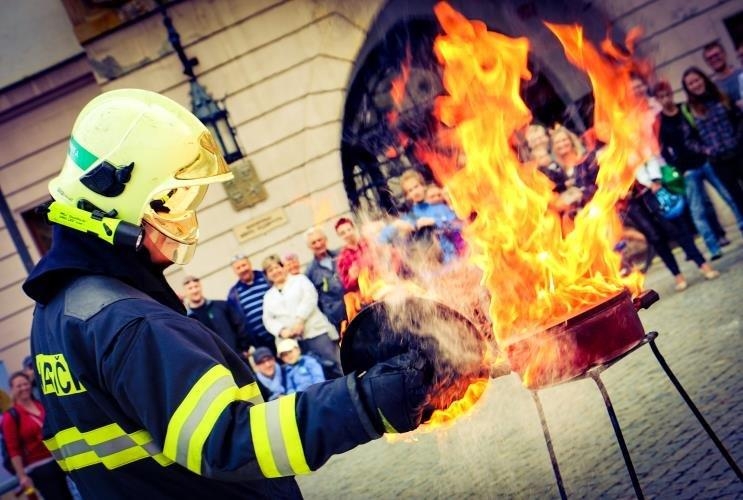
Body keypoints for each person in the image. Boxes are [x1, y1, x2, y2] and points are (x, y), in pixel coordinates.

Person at [22, 89, 434, 498]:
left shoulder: (56, 312)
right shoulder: (129, 321)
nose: (182, 219)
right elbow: (228, 440)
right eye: (168, 203)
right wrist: (371, 399)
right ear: (116, 204)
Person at [653, 80, 742, 259]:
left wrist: (707, 152)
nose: (666, 99)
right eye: (661, 97)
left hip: (704, 161)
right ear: (657, 99)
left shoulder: (685, 109)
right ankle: (713, 248)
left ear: (672, 94)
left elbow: (698, 131)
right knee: (698, 210)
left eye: (667, 94)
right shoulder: (660, 122)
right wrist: (677, 172)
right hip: (687, 171)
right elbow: (663, 151)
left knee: (730, 197)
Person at [261, 255, 342, 378]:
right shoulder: (268, 296)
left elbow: (310, 298)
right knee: (311, 375)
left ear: (283, 268)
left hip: (316, 332)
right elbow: (268, 319)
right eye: (270, 270)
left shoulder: (300, 280)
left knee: (335, 364)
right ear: (267, 275)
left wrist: (300, 321)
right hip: (294, 343)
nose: (275, 272)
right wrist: (282, 331)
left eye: (276, 267)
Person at [681, 66, 743, 227]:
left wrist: (737, 138)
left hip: (738, 153)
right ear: (687, 88)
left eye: (697, 80)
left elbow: (738, 118)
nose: (695, 85)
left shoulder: (722, 97)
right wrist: (707, 150)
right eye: (690, 84)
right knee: (737, 197)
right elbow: (688, 140)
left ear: (704, 79)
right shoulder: (689, 109)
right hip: (719, 161)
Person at [2, 372, 72, 500]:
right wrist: (22, 476)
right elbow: (13, 450)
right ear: (12, 389)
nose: (24, 388)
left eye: (26, 383)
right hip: (40, 469)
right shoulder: (11, 416)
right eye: (19, 386)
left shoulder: (40, 404)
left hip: (60, 460)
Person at [399, 169, 464, 263]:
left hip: (452, 259)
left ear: (423, 186)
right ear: (407, 196)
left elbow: (458, 226)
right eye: (410, 190)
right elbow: (405, 245)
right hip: (429, 266)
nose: (415, 192)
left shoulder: (440, 207)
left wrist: (434, 221)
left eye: (416, 187)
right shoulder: (408, 218)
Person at [183, 275, 253, 359]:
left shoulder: (221, 306)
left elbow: (239, 325)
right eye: (190, 288)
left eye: (196, 286)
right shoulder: (186, 318)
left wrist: (244, 349)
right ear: (185, 292)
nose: (194, 291)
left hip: (236, 357)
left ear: (201, 287)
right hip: (212, 365)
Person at [226, 254, 277, 355]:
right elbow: (237, 323)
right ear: (235, 271)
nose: (242, 269)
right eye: (238, 268)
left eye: (244, 265)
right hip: (260, 343)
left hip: (280, 332)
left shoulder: (266, 277)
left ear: (250, 264)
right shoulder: (234, 294)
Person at [304, 226, 347, 332]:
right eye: (313, 243)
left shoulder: (342, 254)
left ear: (326, 239)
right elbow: (314, 299)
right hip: (338, 318)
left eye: (320, 240)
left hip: (356, 307)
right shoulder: (310, 271)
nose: (318, 244)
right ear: (309, 247)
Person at [702, 41, 743, 106]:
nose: (714, 59)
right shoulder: (713, 88)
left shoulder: (741, 73)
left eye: (716, 55)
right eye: (710, 58)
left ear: (724, 54)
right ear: (707, 62)